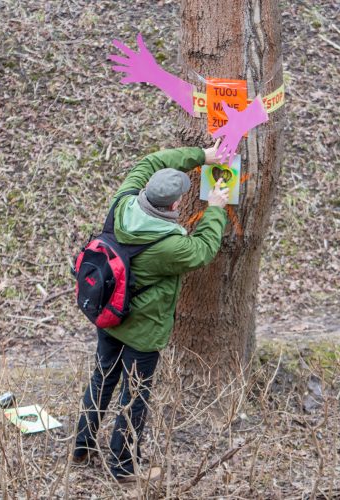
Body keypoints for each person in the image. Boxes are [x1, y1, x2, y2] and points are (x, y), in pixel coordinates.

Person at [72, 143, 229, 483]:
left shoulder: (122, 202)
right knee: (135, 395)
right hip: (143, 332)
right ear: (175, 206)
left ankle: (82, 446)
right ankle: (123, 467)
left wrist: (203, 155)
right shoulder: (170, 246)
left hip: (108, 315)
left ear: (145, 189)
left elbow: (151, 160)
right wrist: (216, 207)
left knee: (102, 378)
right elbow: (203, 249)